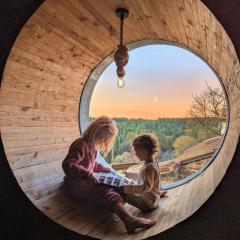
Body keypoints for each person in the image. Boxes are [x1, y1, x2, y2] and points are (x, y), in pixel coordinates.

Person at [62, 116, 156, 233]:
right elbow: (68, 164)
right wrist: (88, 175)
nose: (103, 141)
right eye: (102, 137)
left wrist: (109, 171)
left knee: (116, 185)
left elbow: (92, 164)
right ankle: (129, 220)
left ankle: (123, 207)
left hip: (85, 181)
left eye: (105, 139)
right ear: (95, 130)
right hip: (76, 184)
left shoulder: (91, 147)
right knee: (106, 191)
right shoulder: (80, 144)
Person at [122, 134, 167, 212]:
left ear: (144, 152)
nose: (135, 153)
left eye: (136, 151)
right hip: (153, 199)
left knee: (123, 193)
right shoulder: (153, 164)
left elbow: (144, 187)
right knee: (131, 184)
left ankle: (121, 211)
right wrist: (129, 175)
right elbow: (146, 179)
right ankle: (158, 194)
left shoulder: (148, 168)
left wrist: (126, 188)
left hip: (147, 204)